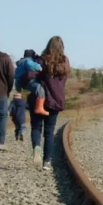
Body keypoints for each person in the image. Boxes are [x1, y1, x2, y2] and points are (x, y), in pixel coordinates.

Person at [27, 36, 71, 170]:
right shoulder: (65, 62)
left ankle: (37, 148)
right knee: (49, 131)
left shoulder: (41, 60)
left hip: (39, 99)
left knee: (36, 127)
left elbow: (29, 76)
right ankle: (46, 162)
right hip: (55, 100)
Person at [14, 49, 49, 116]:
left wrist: (18, 90)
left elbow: (16, 77)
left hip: (22, 83)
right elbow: (30, 64)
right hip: (29, 81)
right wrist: (39, 67)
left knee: (34, 90)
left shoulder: (20, 64)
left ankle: (30, 104)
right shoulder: (28, 60)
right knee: (39, 88)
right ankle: (39, 107)